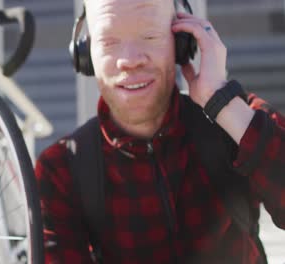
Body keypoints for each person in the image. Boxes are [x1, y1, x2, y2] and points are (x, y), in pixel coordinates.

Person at [34, 0, 285, 263]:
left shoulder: (239, 122)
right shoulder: (60, 171)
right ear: (85, 54)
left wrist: (223, 104)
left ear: (182, 42)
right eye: (109, 41)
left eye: (150, 35)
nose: (130, 60)